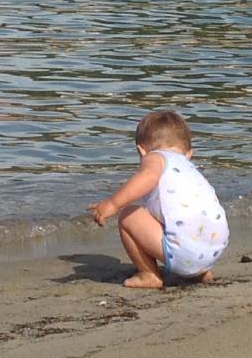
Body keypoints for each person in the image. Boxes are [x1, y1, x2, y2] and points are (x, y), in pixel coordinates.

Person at [88, 109, 229, 289]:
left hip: (185, 254)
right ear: (189, 153)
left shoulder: (155, 157)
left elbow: (147, 177)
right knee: (173, 215)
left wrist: (113, 203)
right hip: (214, 249)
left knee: (129, 214)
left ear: (141, 151)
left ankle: (149, 274)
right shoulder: (188, 168)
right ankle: (199, 272)